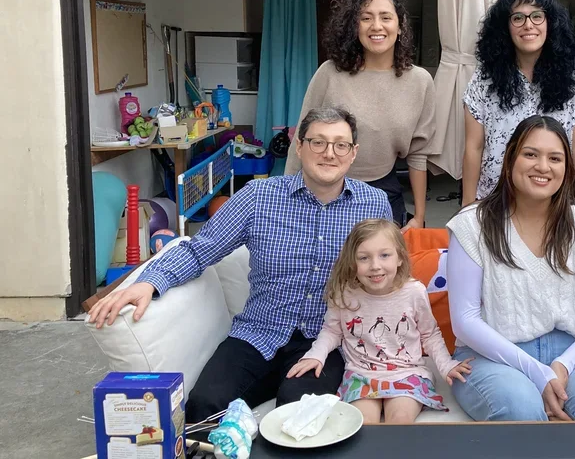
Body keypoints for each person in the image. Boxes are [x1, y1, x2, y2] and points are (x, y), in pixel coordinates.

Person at [89, 106, 394, 422]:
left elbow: (387, 275)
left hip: (327, 341)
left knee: (299, 415)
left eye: (340, 144)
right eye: (318, 142)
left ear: (353, 152)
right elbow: (200, 249)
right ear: (299, 147)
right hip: (258, 332)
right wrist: (151, 280)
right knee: (204, 405)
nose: (329, 153)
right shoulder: (259, 197)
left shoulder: (373, 204)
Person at [447, 115, 575, 422]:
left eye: (555, 158)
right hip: (490, 354)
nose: (543, 167)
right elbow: (465, 321)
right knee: (521, 412)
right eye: (530, 154)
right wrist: (535, 371)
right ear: (510, 160)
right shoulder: (472, 224)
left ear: (567, 168)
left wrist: (562, 366)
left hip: (573, 353)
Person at [285, 0, 437, 232]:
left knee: (378, 267)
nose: (376, 26)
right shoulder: (330, 73)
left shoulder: (420, 82)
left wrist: (419, 216)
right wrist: (286, 200)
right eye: (366, 18)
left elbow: (419, 154)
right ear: (354, 27)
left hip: (383, 190)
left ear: (400, 27)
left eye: (386, 17)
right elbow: (300, 141)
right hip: (323, 188)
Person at [287, 219, 473, 423]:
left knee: (400, 419)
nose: (375, 266)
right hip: (361, 374)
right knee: (363, 422)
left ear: (400, 258)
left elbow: (429, 334)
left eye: (385, 255)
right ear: (352, 262)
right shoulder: (344, 293)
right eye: (364, 258)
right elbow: (332, 331)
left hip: (407, 373)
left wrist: (446, 365)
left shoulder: (414, 291)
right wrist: (316, 355)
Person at [462, 0, 575, 207]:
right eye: (518, 18)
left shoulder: (574, 76)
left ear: (551, 23)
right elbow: (474, 146)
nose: (528, 25)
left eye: (537, 16)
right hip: (496, 199)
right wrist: (467, 204)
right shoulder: (484, 78)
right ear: (506, 27)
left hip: (553, 199)